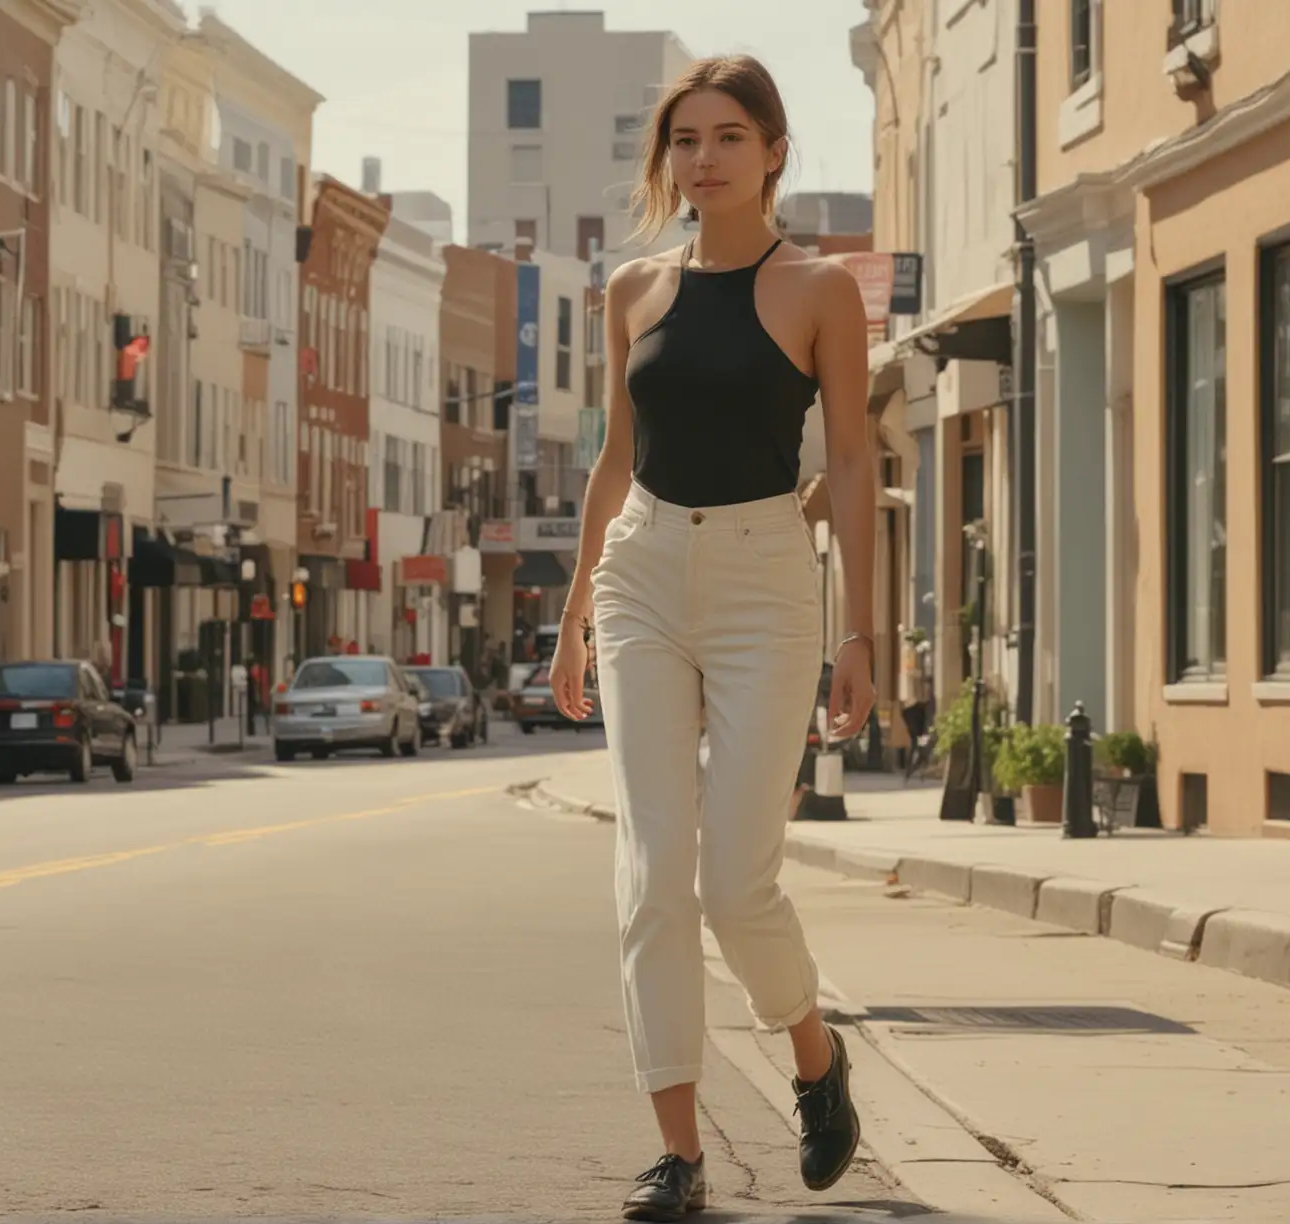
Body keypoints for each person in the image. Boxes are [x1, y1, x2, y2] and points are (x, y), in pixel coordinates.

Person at [547, 54, 877, 1221]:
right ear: (667, 160)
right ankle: (677, 1154)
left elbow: (847, 461)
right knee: (649, 877)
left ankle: (816, 1058)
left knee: (738, 885)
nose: (706, 158)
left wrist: (859, 632)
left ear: (774, 150)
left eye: (730, 136)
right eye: (686, 139)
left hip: (762, 584)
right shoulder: (632, 289)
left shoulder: (821, 290)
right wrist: (576, 608)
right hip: (642, 572)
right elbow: (614, 458)